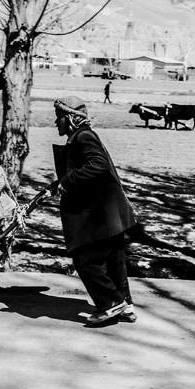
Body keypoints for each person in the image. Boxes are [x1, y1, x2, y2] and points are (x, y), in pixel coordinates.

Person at [52, 96, 136, 325]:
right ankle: (125, 305)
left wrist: (68, 181)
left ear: (70, 118)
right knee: (115, 262)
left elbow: (98, 164)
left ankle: (110, 303)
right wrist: (60, 183)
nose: (56, 122)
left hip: (99, 214)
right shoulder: (83, 136)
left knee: (85, 259)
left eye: (59, 117)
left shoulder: (83, 137)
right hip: (110, 213)